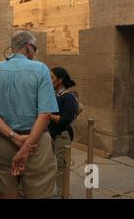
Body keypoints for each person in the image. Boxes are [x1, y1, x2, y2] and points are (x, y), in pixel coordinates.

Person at [0, 30, 59, 199]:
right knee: (39, 192)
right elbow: (45, 114)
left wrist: (14, 137)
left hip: (2, 140)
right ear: (28, 47)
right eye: (35, 49)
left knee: (6, 191)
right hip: (35, 142)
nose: (34, 53)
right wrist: (25, 148)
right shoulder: (40, 69)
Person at [49, 67, 79, 196]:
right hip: (52, 135)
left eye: (52, 77)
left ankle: (62, 194)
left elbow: (65, 119)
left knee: (61, 167)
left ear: (60, 80)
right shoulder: (55, 94)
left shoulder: (68, 97)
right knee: (52, 166)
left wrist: (47, 115)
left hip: (62, 136)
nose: (50, 80)